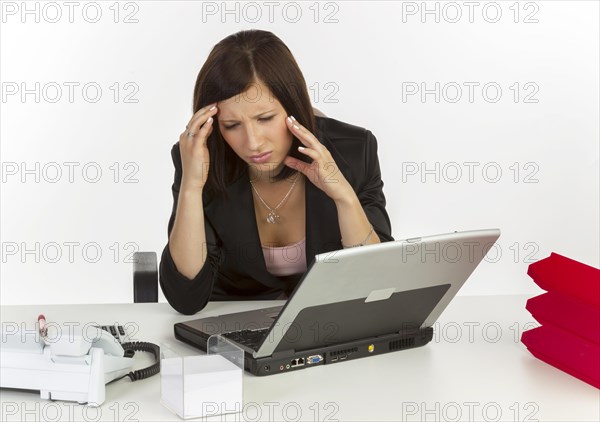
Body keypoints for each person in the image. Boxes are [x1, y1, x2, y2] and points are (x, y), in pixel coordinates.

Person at [159, 29, 394, 315]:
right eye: (232, 125)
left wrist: (343, 195)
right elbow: (185, 298)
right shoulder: (203, 160)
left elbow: (374, 285)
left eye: (265, 118)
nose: (253, 142)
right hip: (230, 322)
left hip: (327, 323)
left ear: (294, 106)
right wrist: (191, 186)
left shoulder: (354, 151)